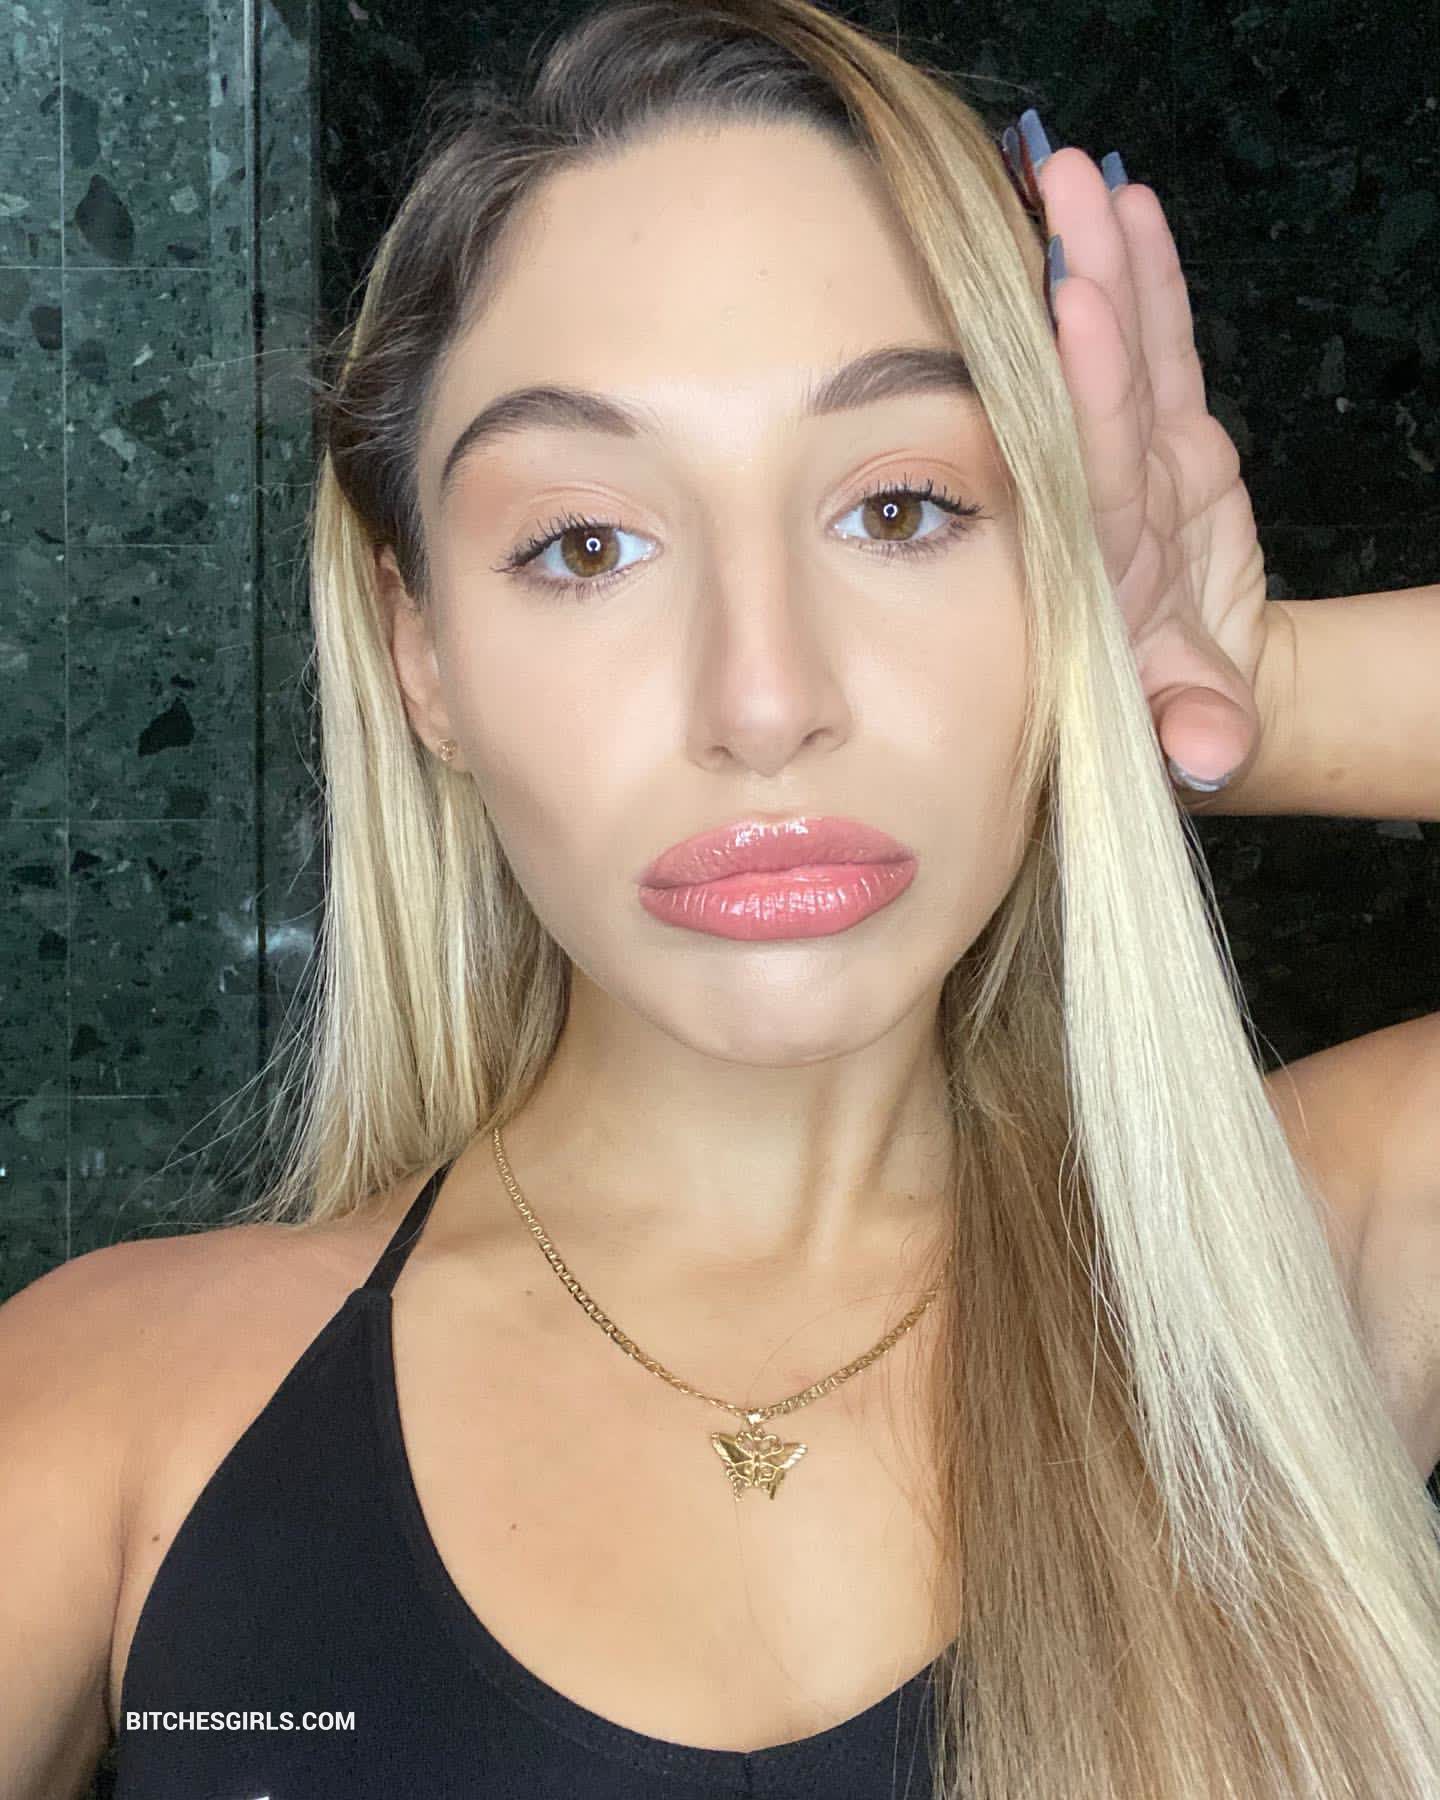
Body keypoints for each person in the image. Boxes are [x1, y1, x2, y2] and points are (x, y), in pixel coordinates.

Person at [4, 1, 1440, 1796]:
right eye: (586, 544)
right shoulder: (121, 1412)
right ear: (421, 652)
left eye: (902, 510)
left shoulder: (1300, 1280)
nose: (764, 701)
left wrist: (1246, 687)